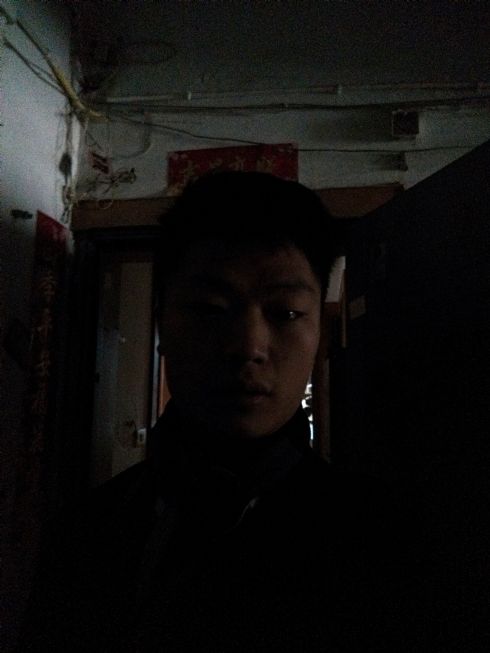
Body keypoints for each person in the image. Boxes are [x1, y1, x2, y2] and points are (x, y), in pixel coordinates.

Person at [20, 171, 421, 652]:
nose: (248, 346)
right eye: (211, 308)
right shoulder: (86, 535)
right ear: (161, 325)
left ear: (319, 330)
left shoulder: (381, 539)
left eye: (285, 313)